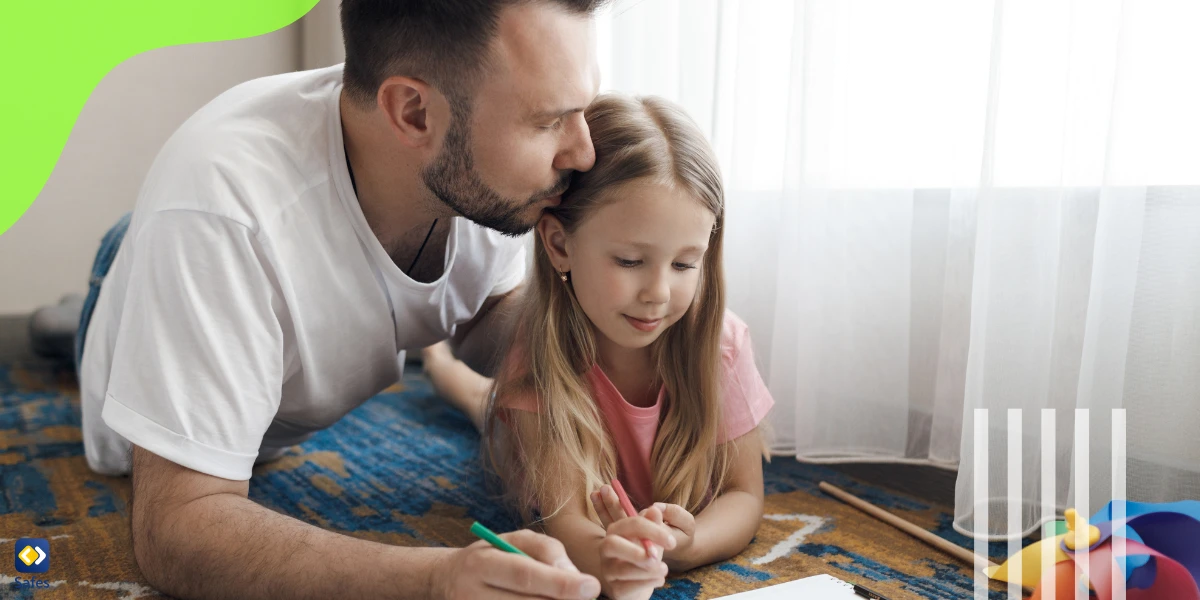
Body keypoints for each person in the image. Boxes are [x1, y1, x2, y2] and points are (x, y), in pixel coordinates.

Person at [74, 1, 612, 598]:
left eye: (583, 110)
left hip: (239, 257)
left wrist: (631, 353)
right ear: (413, 113)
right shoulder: (222, 212)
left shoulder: (488, 180)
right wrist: (436, 579)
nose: (583, 153)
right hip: (160, 266)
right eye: (547, 123)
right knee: (120, 284)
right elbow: (174, 527)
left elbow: (489, 317)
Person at [423, 94, 774, 600]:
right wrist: (608, 558)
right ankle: (435, 357)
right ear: (560, 245)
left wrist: (685, 547)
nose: (658, 293)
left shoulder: (721, 345)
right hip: (532, 432)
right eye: (631, 261)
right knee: (476, 398)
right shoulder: (539, 354)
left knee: (485, 398)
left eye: (683, 265)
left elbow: (745, 496)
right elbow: (570, 528)